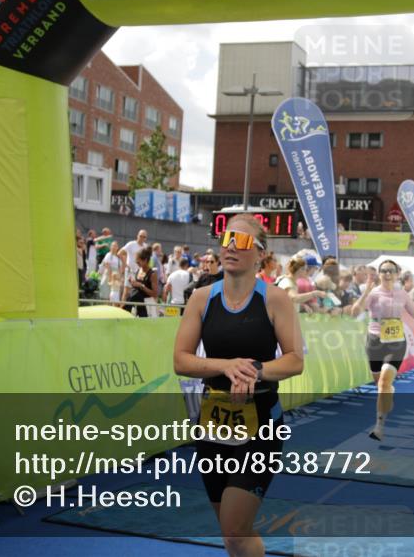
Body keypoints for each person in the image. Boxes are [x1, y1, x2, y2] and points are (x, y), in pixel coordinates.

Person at [173, 214, 303, 557]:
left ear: (259, 253)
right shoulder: (201, 298)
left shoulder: (275, 299)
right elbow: (181, 360)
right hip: (212, 426)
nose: (231, 246)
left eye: (242, 241)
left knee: (234, 528)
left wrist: (254, 371)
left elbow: (294, 360)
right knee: (233, 534)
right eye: (227, 237)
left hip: (260, 426)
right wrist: (224, 366)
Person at [350, 259, 414, 440]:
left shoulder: (402, 294)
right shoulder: (373, 293)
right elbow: (355, 312)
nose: (387, 274)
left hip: (396, 343)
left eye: (390, 271)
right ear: (379, 274)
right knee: (380, 385)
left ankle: (379, 426)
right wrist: (366, 292)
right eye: (383, 270)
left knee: (384, 383)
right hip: (375, 342)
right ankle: (387, 395)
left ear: (397, 274)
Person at [126, 246, 158, 318]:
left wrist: (141, 286)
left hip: (147, 307)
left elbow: (155, 294)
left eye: (138, 261)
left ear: (145, 260)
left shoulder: (152, 274)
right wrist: (133, 283)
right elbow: (137, 288)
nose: (136, 263)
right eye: (136, 261)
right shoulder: (138, 270)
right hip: (136, 306)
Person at [98, 240, 124, 305]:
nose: (113, 247)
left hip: (115, 280)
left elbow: (121, 270)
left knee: (114, 298)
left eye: (115, 246)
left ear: (118, 248)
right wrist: (110, 279)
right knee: (106, 297)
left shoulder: (118, 259)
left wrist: (119, 279)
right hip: (108, 277)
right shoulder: (108, 255)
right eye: (112, 245)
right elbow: (107, 267)